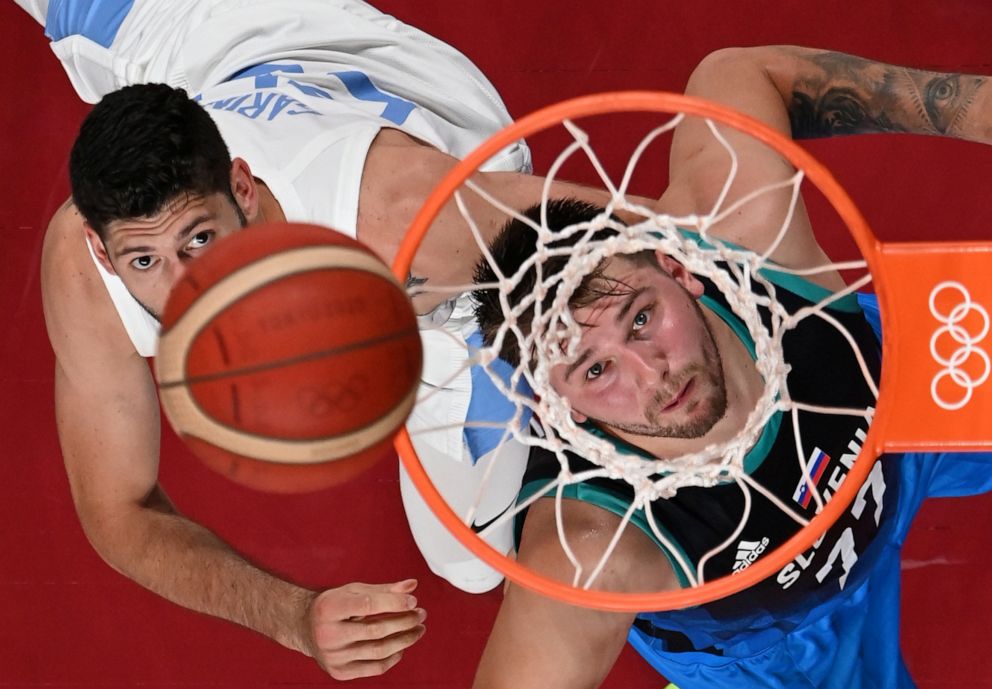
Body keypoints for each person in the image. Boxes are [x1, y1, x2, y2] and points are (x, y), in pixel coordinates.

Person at [21, 0, 629, 678]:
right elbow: (118, 507)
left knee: (471, 560)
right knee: (469, 566)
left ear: (244, 190)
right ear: (106, 257)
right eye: (143, 262)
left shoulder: (408, 224)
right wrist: (288, 615)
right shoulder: (87, 272)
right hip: (161, 25)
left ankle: (459, 334)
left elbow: (667, 233)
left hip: (440, 262)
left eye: (201, 239)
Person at [469, 47, 992, 688]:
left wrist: (976, 108)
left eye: (639, 319)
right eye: (596, 371)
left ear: (678, 269)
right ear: (563, 407)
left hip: (896, 411)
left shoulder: (745, 230)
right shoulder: (594, 551)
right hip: (782, 638)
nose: (651, 372)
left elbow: (739, 74)